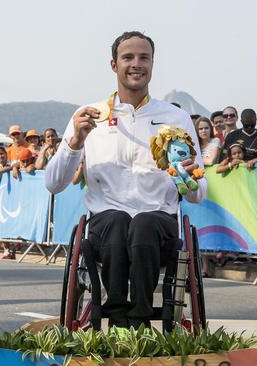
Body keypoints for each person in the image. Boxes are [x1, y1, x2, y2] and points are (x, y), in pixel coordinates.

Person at [45, 31, 206, 329]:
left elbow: (198, 193)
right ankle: (118, 316)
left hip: (159, 224)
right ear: (113, 64)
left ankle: (139, 319)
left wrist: (188, 178)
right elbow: (54, 183)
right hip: (106, 224)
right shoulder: (91, 116)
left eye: (144, 57)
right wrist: (75, 143)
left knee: (143, 222)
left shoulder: (175, 118)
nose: (136, 64)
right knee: (119, 220)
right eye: (128, 57)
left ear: (153, 64)